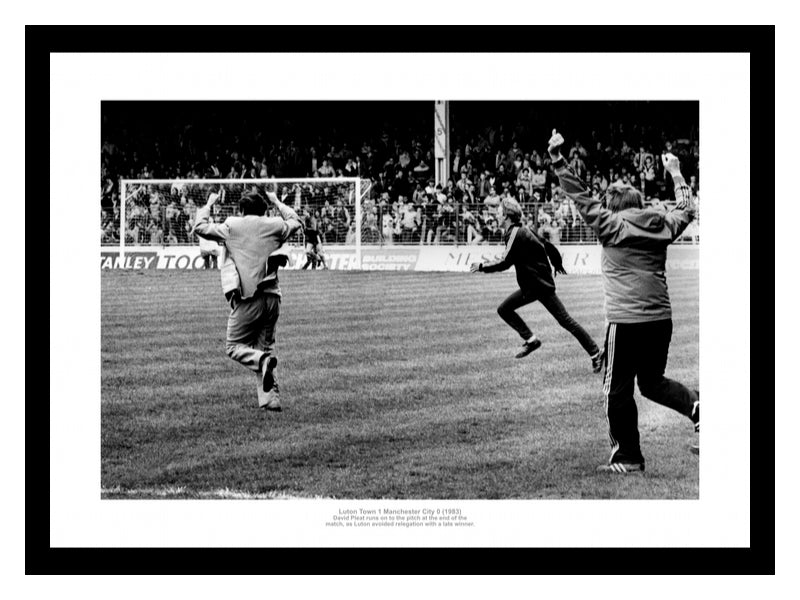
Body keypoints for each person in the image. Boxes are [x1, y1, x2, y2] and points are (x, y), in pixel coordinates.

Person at [547, 129, 700, 473]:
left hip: (626, 320)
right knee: (652, 382)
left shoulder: (610, 226)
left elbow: (580, 197)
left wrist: (557, 158)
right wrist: (675, 171)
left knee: (616, 391)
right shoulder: (662, 224)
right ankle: (700, 409)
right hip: (661, 318)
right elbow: (688, 208)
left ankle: (628, 457)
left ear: (614, 208)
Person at [192, 189, 302, 413]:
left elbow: (200, 228)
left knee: (234, 347)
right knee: (266, 347)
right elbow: (296, 221)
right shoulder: (275, 225)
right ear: (264, 210)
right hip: (273, 297)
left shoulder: (233, 225)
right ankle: (271, 400)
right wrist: (277, 201)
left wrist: (209, 204)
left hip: (248, 298)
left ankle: (262, 362)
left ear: (242, 210)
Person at [470, 197, 604, 372]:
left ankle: (533, 341)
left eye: (500, 211)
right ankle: (593, 353)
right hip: (537, 284)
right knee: (565, 321)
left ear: (507, 216)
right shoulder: (523, 230)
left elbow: (505, 262)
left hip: (536, 286)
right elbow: (547, 245)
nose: (498, 214)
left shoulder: (514, 233)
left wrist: (481, 266)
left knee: (505, 310)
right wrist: (556, 263)